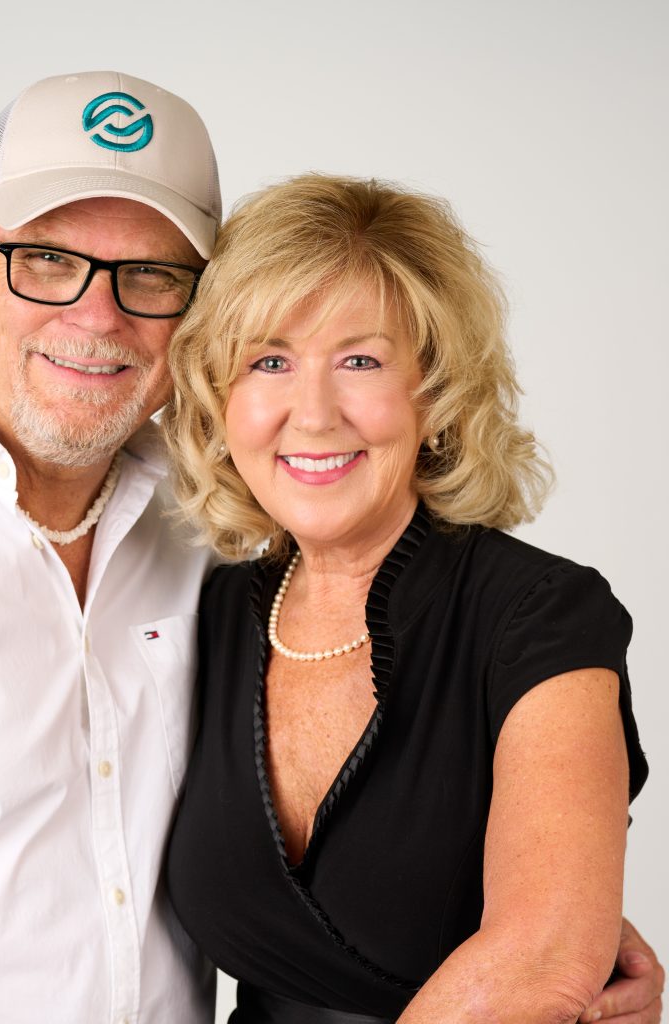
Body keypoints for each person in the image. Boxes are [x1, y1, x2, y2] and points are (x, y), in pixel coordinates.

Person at [0, 77, 661, 1023]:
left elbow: (443, 837)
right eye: (47, 259)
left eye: (151, 274)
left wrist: (550, 910)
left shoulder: (200, 532)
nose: (96, 316)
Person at [161, 173, 654, 1024]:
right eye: (269, 361)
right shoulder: (209, 613)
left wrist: (575, 926)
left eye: (361, 361)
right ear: (220, 396)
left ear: (436, 391)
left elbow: (543, 960)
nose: (313, 414)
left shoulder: (541, 616)